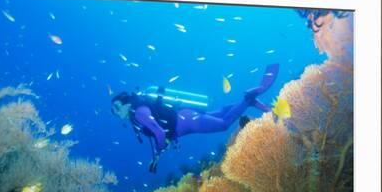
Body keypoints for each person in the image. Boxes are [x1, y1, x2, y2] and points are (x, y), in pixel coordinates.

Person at [111, 64, 279, 172]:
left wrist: (162, 148)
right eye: (113, 111)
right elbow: (156, 134)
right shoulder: (136, 115)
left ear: (126, 103)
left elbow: (160, 134)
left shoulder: (138, 113)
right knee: (220, 114)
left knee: (223, 124)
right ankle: (246, 102)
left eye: (117, 107)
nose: (116, 113)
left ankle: (247, 99)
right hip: (186, 117)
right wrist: (156, 158)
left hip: (188, 122)